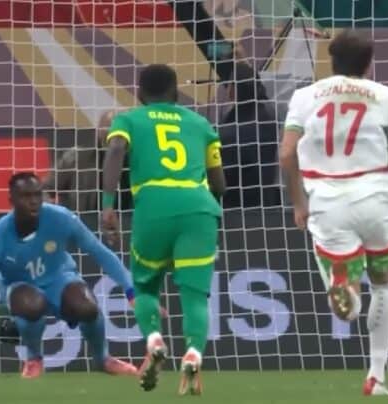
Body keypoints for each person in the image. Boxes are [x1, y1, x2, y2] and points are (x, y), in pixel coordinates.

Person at [279, 30, 388, 396]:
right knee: (385, 283)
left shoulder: (304, 96)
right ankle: (376, 375)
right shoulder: (387, 96)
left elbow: (286, 154)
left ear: (331, 60)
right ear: (369, 63)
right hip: (376, 197)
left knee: (345, 288)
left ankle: (346, 295)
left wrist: (299, 204)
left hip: (328, 199)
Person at [0, 173, 138, 380]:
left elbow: (100, 252)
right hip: (19, 286)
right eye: (25, 196)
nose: (33, 201)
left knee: (87, 307)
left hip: (61, 278)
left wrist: (131, 291)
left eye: (37, 195)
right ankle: (34, 358)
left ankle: (103, 359)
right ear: (11, 201)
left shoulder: (61, 218)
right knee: (31, 304)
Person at [101, 64, 226, 395]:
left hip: (153, 207)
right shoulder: (200, 123)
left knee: (144, 289)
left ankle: (154, 340)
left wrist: (108, 204)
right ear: (175, 93)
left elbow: (115, 150)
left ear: (139, 93)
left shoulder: (128, 119)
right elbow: (220, 183)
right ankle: (194, 352)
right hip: (198, 209)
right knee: (195, 297)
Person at [219, 62, 281, 208]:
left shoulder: (232, 131)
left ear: (233, 90)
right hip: (267, 201)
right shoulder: (269, 113)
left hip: (238, 207)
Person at [43, 110, 132, 212]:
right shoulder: (75, 157)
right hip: (83, 222)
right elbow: (46, 189)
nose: (114, 138)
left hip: (129, 222)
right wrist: (53, 209)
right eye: (108, 130)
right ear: (98, 131)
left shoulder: (138, 160)